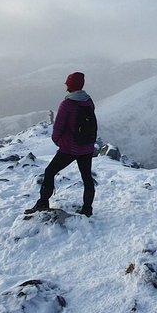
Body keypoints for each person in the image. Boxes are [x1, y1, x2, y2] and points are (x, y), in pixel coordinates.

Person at [26, 72, 98, 217]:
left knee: (50, 172)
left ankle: (43, 202)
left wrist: (59, 142)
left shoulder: (67, 104)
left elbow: (58, 127)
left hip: (70, 148)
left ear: (69, 85)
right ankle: (87, 209)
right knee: (87, 178)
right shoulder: (88, 101)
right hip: (87, 147)